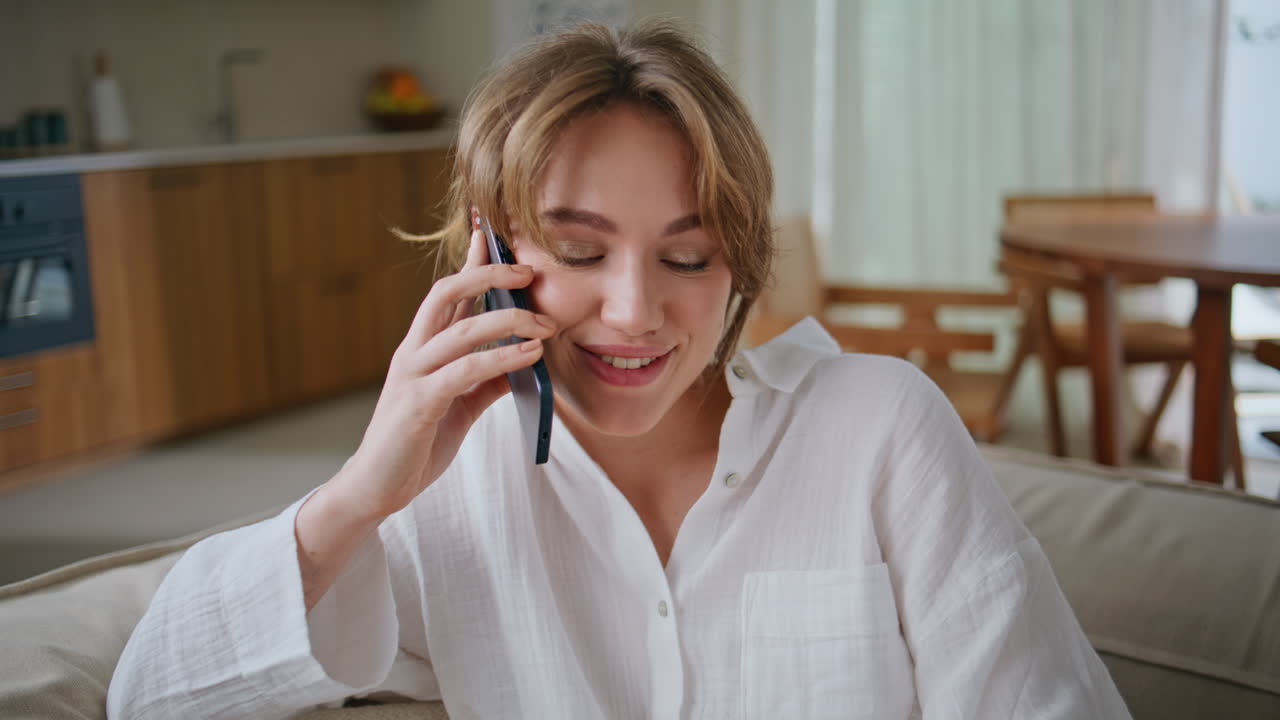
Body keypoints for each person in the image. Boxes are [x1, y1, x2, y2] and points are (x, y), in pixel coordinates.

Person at [108, 19, 1130, 719]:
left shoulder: (878, 429)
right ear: (491, 251)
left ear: (737, 262)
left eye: (686, 256)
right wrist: (358, 497)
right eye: (581, 252)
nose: (634, 310)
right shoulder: (442, 497)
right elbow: (145, 697)